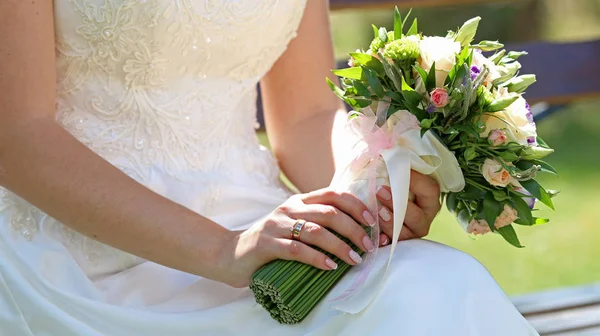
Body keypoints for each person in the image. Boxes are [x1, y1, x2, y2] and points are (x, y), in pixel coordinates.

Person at [0, 0, 538, 335]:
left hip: (262, 226)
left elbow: (305, 115)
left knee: (437, 283)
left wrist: (373, 180)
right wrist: (221, 248)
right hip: (81, 253)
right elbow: (16, 137)